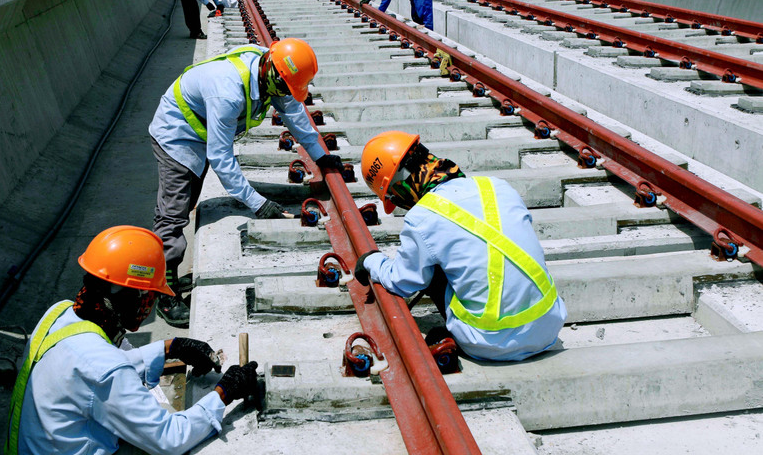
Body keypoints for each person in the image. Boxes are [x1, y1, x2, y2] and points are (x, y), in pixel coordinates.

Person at [5, 225, 260, 455]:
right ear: (132, 297)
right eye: (150, 295)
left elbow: (95, 374)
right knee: (163, 453)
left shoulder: (59, 313)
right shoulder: (102, 367)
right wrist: (224, 392)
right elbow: (169, 438)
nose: (150, 305)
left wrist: (171, 347)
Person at [149, 39, 345, 327]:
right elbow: (221, 157)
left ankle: (171, 272)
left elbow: (293, 113)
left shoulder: (272, 69)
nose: (284, 96)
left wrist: (321, 156)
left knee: (185, 204)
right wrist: (258, 203)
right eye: (283, 89)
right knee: (173, 214)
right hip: (177, 135)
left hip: (201, 133)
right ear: (271, 73)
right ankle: (163, 292)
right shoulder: (228, 93)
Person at [354, 132, 567, 361]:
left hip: (489, 343)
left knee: (431, 266)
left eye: (394, 198)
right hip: (550, 328)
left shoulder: (422, 217)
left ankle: (471, 327)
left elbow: (403, 281)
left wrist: (371, 261)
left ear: (398, 187)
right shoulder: (498, 186)